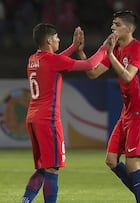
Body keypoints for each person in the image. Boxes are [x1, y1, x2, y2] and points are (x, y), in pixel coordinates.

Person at [22, 23, 110, 203]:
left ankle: (26, 200)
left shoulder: (33, 59)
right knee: (53, 168)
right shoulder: (52, 61)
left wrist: (72, 48)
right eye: (56, 37)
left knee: (42, 168)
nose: (58, 40)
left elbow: (55, 62)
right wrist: (104, 48)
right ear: (48, 40)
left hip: (32, 118)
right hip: (48, 121)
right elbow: (89, 64)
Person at [85, 10, 140, 203]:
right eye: (112, 24)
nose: (112, 27)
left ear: (129, 28)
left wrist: (109, 53)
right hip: (127, 112)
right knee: (111, 160)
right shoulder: (115, 50)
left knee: (132, 162)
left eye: (117, 24)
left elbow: (127, 76)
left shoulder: (139, 49)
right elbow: (92, 73)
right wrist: (81, 50)